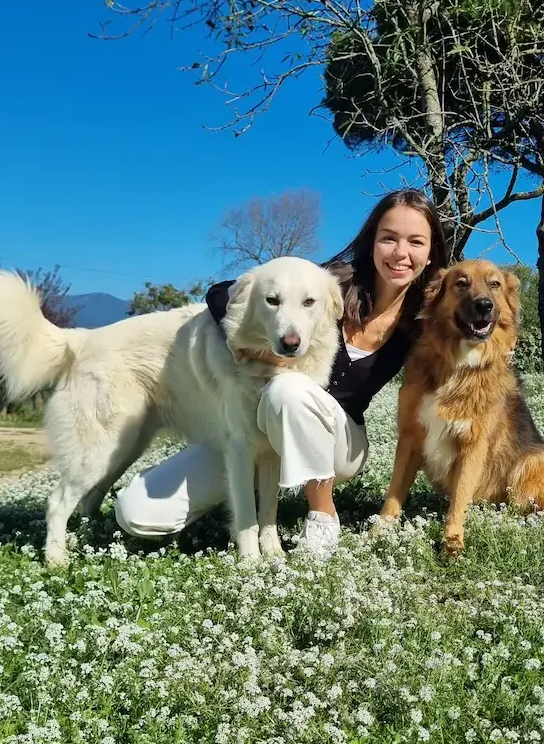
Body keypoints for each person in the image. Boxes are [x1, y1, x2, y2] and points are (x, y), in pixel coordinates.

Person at [113, 188, 449, 557]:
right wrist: (254, 348)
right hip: (257, 426)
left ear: (431, 251)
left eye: (416, 241)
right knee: (138, 513)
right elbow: (222, 295)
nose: (401, 253)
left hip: (338, 442)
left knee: (288, 389)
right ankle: (256, 489)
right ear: (372, 241)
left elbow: (469, 342)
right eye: (389, 238)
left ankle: (322, 516)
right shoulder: (326, 282)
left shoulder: (428, 316)